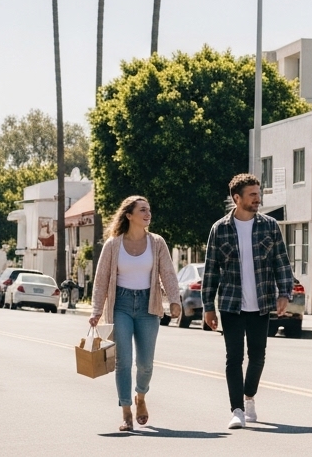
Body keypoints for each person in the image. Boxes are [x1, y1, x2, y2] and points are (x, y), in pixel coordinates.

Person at [203, 173, 295, 429]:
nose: (258, 198)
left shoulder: (269, 226)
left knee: (258, 356)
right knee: (233, 358)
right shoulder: (219, 229)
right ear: (237, 198)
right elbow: (211, 269)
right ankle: (237, 410)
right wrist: (208, 306)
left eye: (258, 193)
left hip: (262, 302)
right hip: (231, 304)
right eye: (253, 194)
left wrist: (284, 293)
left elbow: (281, 261)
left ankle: (249, 396)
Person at [89, 196, 181, 432]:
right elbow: (101, 281)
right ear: (129, 215)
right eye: (142, 210)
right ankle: (127, 411)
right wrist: (96, 311)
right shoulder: (113, 245)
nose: (148, 213)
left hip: (148, 306)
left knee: (145, 363)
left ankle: (141, 396)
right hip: (120, 304)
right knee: (123, 361)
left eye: (149, 209)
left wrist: (174, 301)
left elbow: (168, 273)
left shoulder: (157, 243)